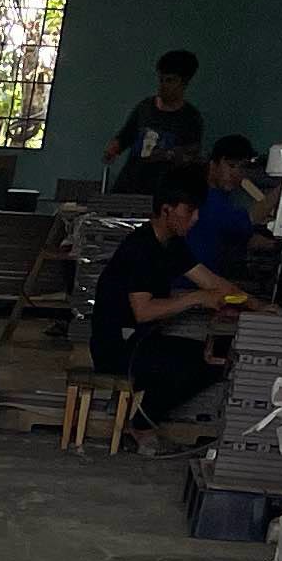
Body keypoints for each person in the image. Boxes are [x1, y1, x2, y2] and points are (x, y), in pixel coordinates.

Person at [89, 162, 243, 436]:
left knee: (218, 361)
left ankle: (141, 419)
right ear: (166, 210)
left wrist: (256, 306)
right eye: (189, 211)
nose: (195, 219)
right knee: (195, 366)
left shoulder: (172, 244)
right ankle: (141, 426)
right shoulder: (141, 247)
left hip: (142, 341)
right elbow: (144, 311)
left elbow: (213, 283)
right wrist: (196, 298)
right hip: (117, 347)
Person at [108, 51, 205, 186]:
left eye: (170, 81)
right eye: (161, 80)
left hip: (163, 189)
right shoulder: (145, 108)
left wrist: (168, 154)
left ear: (184, 83)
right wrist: (114, 148)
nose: (163, 86)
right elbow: (126, 136)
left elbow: (191, 155)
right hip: (129, 184)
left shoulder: (191, 118)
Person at [192, 133, 271, 281]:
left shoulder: (224, 200)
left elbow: (239, 237)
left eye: (242, 168)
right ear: (213, 164)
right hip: (191, 284)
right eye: (231, 166)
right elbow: (250, 219)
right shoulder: (208, 199)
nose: (236, 174)